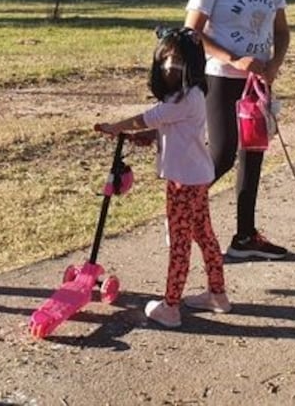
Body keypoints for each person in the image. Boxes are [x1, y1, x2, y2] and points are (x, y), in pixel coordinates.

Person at [94, 27, 230, 328]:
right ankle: (217, 294)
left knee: (180, 243)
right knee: (204, 236)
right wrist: (146, 136)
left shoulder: (183, 99)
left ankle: (170, 306)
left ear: (191, 63)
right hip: (196, 178)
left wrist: (115, 127)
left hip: (183, 183)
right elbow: (168, 128)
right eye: (167, 58)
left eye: (177, 59)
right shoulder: (192, 94)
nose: (170, 65)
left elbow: (148, 118)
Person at [184, 0, 291, 259]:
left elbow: (281, 32)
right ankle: (181, 213)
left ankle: (245, 237)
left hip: (258, 83)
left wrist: (273, 65)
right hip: (220, 78)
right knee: (223, 154)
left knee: (253, 155)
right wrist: (235, 59)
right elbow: (191, 33)